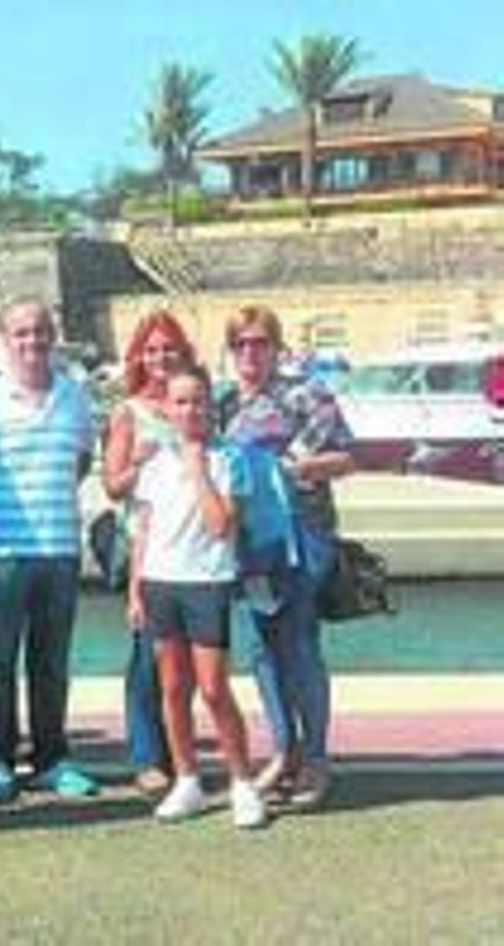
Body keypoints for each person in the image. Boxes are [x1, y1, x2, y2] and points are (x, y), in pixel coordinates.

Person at [0, 299, 98, 802]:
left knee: (51, 662)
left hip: (60, 551)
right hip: (3, 552)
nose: (32, 342)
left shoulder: (75, 397)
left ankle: (51, 759)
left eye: (40, 331)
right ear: (5, 340)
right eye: (21, 333)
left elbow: (80, 462)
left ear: (53, 336)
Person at [218, 305, 354, 810]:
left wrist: (290, 469)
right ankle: (283, 750)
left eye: (260, 342)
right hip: (250, 546)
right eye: (240, 344)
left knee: (299, 646)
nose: (250, 352)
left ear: (277, 348)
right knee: (260, 651)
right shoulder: (224, 404)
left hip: (301, 539)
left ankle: (316, 757)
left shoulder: (307, 394)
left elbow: (346, 459)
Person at [128, 367, 267, 829]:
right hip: (159, 582)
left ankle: (242, 783)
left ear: (212, 406)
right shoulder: (154, 462)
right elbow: (143, 530)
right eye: (181, 402)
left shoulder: (230, 459)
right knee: (172, 687)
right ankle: (187, 779)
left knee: (212, 688)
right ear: (167, 409)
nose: (191, 411)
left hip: (207, 582)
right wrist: (135, 590)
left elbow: (221, 525)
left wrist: (197, 468)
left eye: (199, 401)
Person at [100, 311, 198, 796]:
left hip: (191, 546)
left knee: (187, 659)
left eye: (169, 348)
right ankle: (147, 756)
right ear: (139, 356)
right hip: (146, 546)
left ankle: (180, 751)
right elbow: (112, 486)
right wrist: (137, 464)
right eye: (152, 350)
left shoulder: (194, 403)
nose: (161, 357)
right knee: (147, 656)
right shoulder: (128, 413)